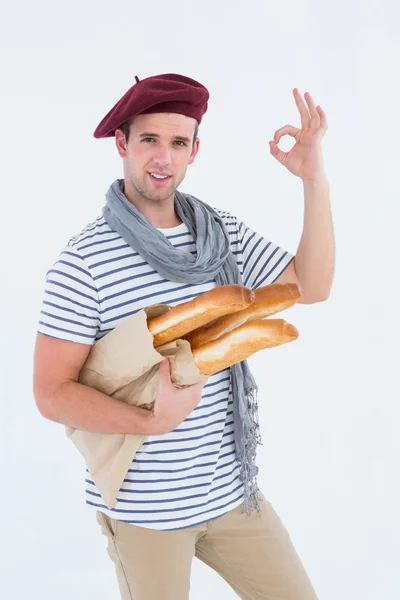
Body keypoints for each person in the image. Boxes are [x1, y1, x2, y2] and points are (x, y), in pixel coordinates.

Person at [33, 73, 334, 600]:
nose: (163, 158)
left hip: (231, 493)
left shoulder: (221, 234)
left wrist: (314, 180)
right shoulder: (83, 263)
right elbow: (51, 393)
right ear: (122, 144)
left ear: (195, 151)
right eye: (149, 139)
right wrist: (151, 420)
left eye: (178, 142)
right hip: (145, 510)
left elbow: (311, 286)